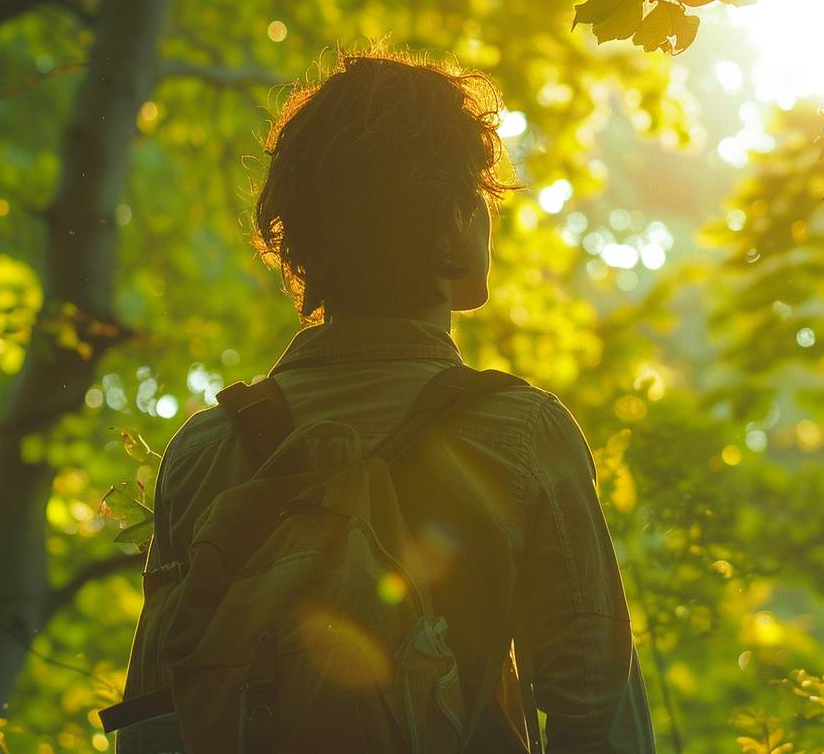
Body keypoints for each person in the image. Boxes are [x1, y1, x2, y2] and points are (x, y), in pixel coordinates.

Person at [116, 50, 656, 752]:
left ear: (298, 238)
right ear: (456, 218)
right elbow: (599, 717)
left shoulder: (204, 451)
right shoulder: (520, 436)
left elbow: (155, 723)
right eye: (479, 197)